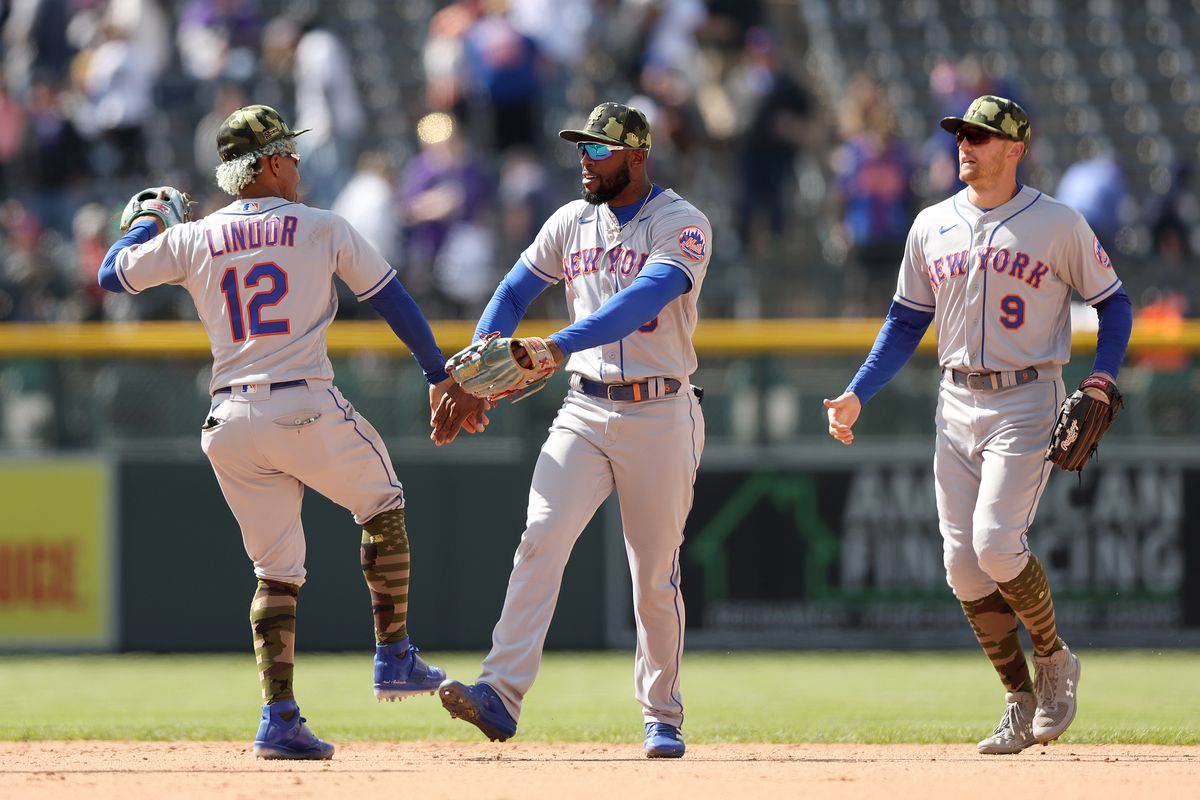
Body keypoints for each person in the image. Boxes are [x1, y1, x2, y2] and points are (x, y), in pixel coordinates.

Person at [96, 104, 484, 760]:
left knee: (275, 572)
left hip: (228, 422)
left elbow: (111, 274)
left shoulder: (196, 238)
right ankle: (393, 654)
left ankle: (279, 717)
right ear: (272, 162)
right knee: (382, 500)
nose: (299, 166)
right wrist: (439, 375)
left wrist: (143, 223)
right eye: (292, 156)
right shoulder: (321, 226)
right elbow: (392, 298)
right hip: (301, 402)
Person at [823, 96, 1133, 755]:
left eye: (982, 136)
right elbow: (905, 322)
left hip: (1027, 397)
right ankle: (1019, 700)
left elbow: (1115, 303)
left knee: (996, 544)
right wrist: (858, 392)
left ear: (1015, 149)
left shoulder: (1056, 223)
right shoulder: (931, 225)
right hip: (954, 400)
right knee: (963, 569)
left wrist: (1103, 375)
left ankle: (1054, 663)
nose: (966, 144)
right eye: (961, 134)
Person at [434, 102, 709, 759]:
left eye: (600, 150)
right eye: (581, 149)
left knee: (653, 574)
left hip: (660, 410)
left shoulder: (683, 223)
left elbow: (639, 302)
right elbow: (509, 292)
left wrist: (555, 345)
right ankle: (499, 694)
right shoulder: (570, 222)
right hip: (584, 409)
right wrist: (476, 371)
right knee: (540, 539)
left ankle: (662, 715)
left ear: (637, 156)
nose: (585, 161)